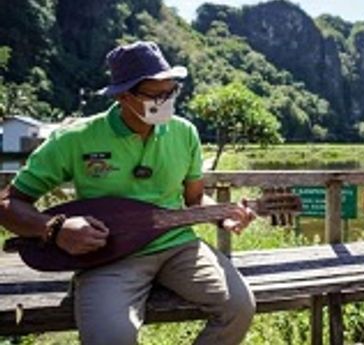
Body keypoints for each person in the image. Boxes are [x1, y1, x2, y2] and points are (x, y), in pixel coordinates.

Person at [0, 41, 256, 345]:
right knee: (110, 338)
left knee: (239, 308)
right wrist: (55, 228)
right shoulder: (75, 138)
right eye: (156, 94)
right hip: (109, 256)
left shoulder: (184, 132)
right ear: (123, 95)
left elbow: (194, 199)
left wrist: (223, 216)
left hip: (179, 247)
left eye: (171, 91)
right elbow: (8, 203)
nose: (167, 100)